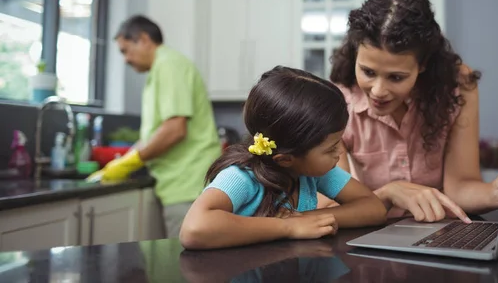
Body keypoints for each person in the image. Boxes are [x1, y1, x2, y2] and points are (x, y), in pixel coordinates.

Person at [319, 0, 498, 222]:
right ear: (355, 54)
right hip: (370, 233)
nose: (378, 91)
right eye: (368, 71)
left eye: (396, 77)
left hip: (439, 232)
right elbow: (336, 206)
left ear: (423, 65)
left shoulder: (457, 87)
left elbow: (460, 186)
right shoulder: (338, 102)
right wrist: (389, 193)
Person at [179, 66, 387, 250]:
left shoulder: (312, 172)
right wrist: (288, 226)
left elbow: (374, 208)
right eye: (330, 148)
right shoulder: (242, 177)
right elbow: (194, 229)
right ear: (285, 159)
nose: (339, 153)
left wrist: (306, 219)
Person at [87, 15, 221, 237]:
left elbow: (175, 129)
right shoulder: (160, 70)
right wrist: (124, 161)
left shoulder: (169, 65)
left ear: (143, 39)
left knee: (184, 266)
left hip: (188, 183)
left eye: (125, 50)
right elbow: (153, 133)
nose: (125, 59)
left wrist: (133, 160)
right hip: (178, 182)